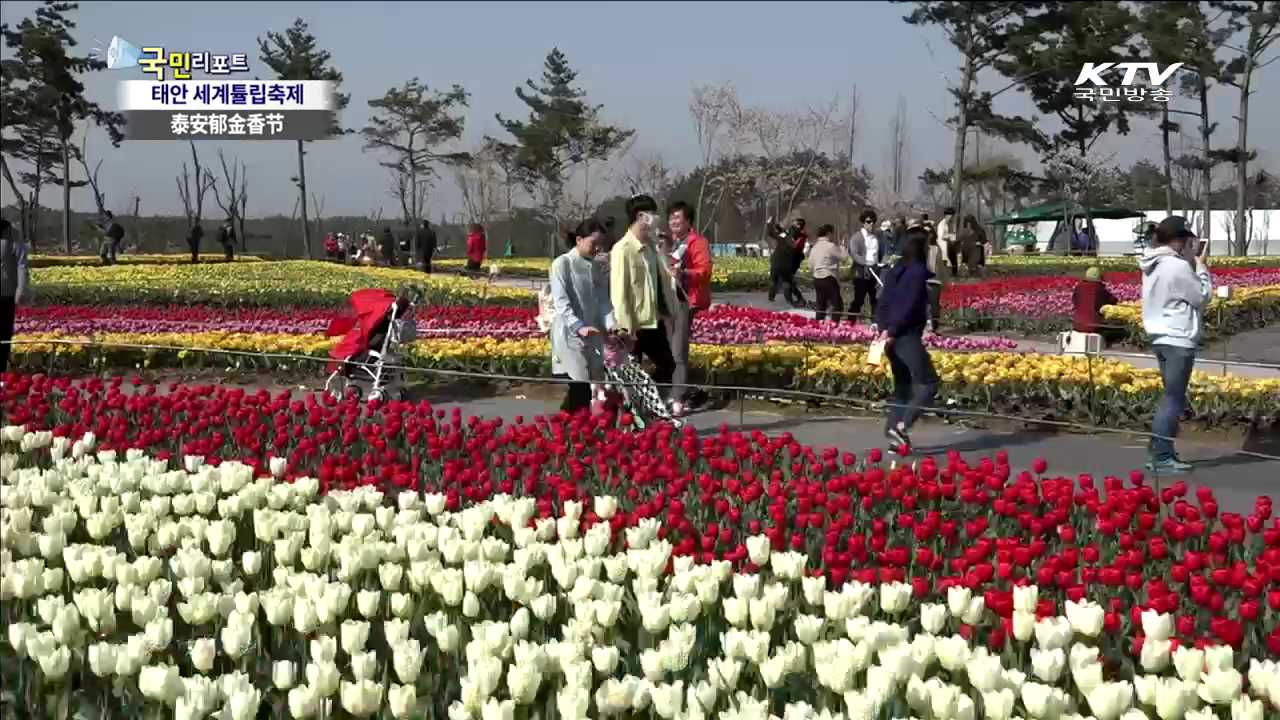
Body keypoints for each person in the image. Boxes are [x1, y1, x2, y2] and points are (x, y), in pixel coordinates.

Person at [1141, 216, 1211, 474]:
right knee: (1173, 399)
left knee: (1170, 396)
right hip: (1178, 337)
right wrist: (1200, 267)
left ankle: (1160, 451)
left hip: (1159, 335)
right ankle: (1160, 457)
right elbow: (1201, 297)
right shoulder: (1177, 266)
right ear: (1179, 240)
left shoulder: (1151, 263)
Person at [610, 195, 679, 404]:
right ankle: (633, 415)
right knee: (631, 374)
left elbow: (660, 281)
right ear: (641, 216)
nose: (657, 218)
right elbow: (620, 291)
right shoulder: (623, 249)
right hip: (634, 324)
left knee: (668, 366)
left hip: (653, 320)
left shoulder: (649, 246)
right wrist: (625, 326)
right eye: (653, 214)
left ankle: (650, 403)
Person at [875, 226, 939, 448]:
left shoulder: (896, 269)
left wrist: (882, 328)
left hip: (890, 335)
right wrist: (892, 330)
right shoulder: (917, 272)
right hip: (905, 334)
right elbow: (908, 305)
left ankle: (895, 438)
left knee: (903, 388)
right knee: (928, 383)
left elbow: (883, 301)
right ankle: (901, 424)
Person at [549, 218, 613, 414]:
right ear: (579, 240)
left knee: (586, 388)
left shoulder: (595, 267)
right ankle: (570, 431)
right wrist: (578, 326)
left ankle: (567, 429)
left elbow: (603, 300)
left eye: (601, 244)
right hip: (570, 334)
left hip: (592, 333)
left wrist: (612, 324)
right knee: (580, 386)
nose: (597, 249)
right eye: (594, 243)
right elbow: (560, 301)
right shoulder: (563, 263)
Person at [666, 201, 712, 415]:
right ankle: (680, 391)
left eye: (678, 218)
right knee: (669, 350)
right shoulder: (668, 243)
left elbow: (705, 271)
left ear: (688, 221)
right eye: (671, 218)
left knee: (678, 352)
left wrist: (684, 273)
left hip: (687, 301)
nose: (674, 222)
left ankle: (679, 397)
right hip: (668, 301)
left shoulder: (697, 242)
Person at [1, 218, 30, 380]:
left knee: (4, 332)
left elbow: (21, 264)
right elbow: (21, 265)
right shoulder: (12, 239)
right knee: (3, 333)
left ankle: (2, 370)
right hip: (6, 292)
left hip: (6, 293)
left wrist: (20, 288)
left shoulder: (13, 238)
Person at [847, 209, 885, 322]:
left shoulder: (876, 237)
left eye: (873, 221)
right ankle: (851, 321)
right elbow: (854, 253)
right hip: (861, 273)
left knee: (875, 299)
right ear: (863, 222)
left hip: (874, 273)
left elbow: (880, 253)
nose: (871, 224)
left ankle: (875, 323)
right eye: (868, 221)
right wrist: (865, 263)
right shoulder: (856, 237)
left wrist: (881, 264)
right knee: (859, 299)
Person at [1072, 266, 1123, 345]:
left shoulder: (1079, 287)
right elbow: (1113, 301)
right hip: (1092, 325)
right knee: (1116, 330)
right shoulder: (1099, 289)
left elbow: (1074, 301)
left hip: (1076, 324)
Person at [808, 224, 847, 322]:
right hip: (829, 277)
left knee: (820, 305)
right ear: (829, 233)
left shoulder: (815, 247)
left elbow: (810, 265)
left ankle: (818, 327)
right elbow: (844, 258)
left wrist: (816, 273)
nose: (833, 236)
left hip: (817, 279)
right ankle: (833, 327)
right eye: (832, 234)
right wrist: (843, 246)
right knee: (837, 305)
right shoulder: (830, 246)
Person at [767, 218, 806, 307]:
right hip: (784, 262)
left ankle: (789, 299)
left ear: (799, 226)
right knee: (785, 281)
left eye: (794, 223)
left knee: (783, 281)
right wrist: (772, 225)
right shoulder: (792, 235)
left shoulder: (797, 236)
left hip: (784, 261)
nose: (792, 224)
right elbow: (778, 234)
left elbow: (778, 234)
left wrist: (770, 225)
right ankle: (792, 300)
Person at [925, 227, 947, 333]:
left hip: (935, 280)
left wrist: (944, 280)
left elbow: (941, 266)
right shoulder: (921, 248)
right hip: (924, 279)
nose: (928, 236)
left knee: (934, 303)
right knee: (924, 303)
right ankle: (926, 325)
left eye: (930, 233)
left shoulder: (937, 249)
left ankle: (935, 325)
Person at [936, 207, 957, 275]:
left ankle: (953, 274)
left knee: (952, 260)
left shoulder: (948, 224)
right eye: (952, 216)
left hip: (948, 245)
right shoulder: (941, 224)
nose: (952, 217)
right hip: (943, 246)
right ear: (948, 215)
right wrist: (950, 236)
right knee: (946, 262)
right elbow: (941, 236)